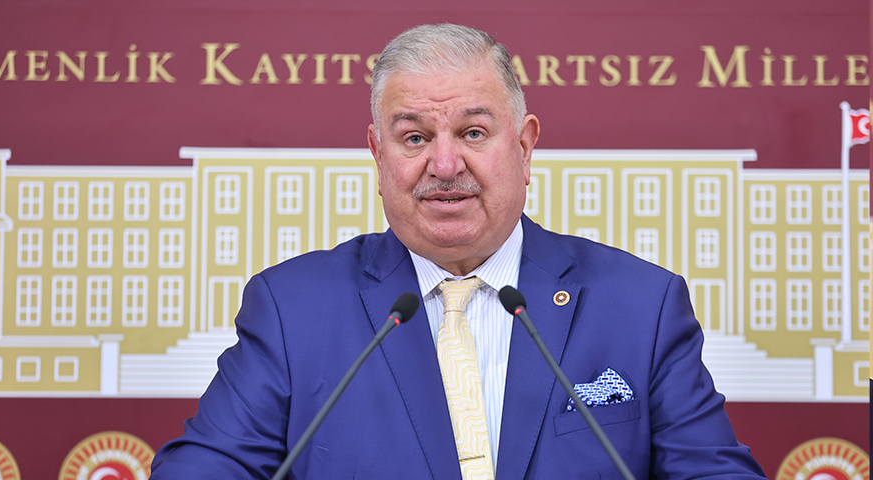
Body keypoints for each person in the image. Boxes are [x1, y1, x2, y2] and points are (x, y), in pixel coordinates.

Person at [151, 23, 766, 479]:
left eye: (473, 132)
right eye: (415, 137)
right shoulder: (293, 309)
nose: (445, 165)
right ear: (378, 154)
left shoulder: (640, 306)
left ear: (524, 146)